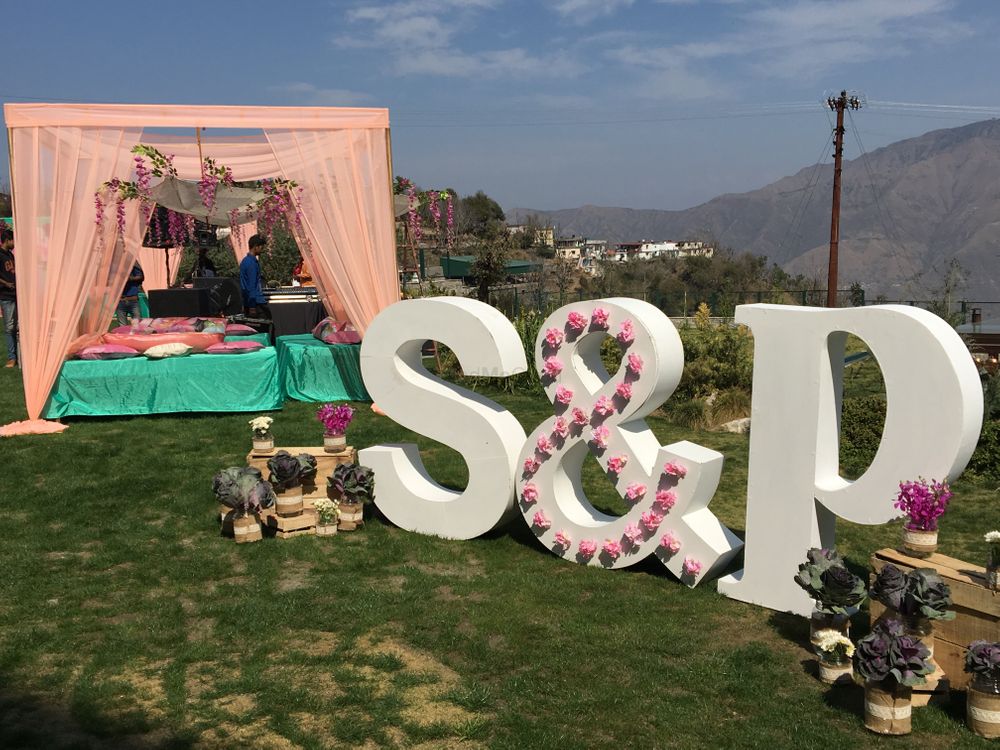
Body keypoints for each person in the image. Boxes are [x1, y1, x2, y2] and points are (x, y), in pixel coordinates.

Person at [239, 234, 270, 318]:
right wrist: (252, 307)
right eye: (261, 247)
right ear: (256, 247)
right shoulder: (251, 264)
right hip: (256, 303)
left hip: (248, 302)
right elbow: (251, 286)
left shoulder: (245, 261)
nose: (262, 249)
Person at [0, 229, 17, 367]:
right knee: (9, 327)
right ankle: (12, 358)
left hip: (16, 295)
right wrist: (6, 283)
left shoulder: (10, 255)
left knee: (17, 327)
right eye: (13, 240)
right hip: (6, 296)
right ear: (7, 240)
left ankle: (19, 356)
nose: (14, 243)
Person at [116, 261, 145, 326]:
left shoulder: (132, 262)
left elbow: (141, 276)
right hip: (121, 300)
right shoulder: (115, 263)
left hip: (133, 299)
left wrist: (130, 278)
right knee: (122, 327)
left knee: (137, 325)